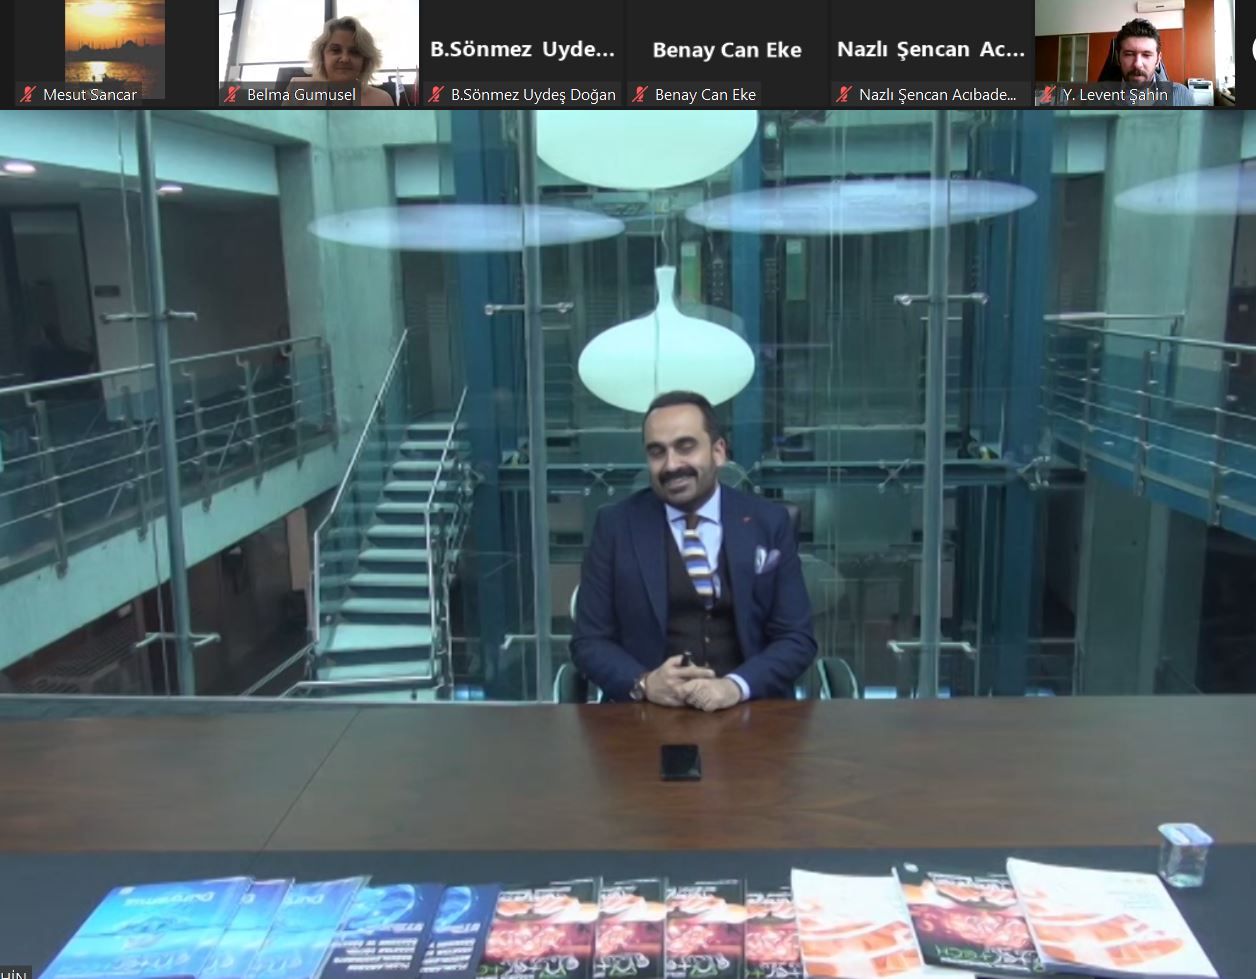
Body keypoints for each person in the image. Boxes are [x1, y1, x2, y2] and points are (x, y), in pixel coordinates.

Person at [571, 391, 817, 710]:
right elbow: (589, 642)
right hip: (646, 715)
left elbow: (797, 639)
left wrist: (736, 686)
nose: (671, 465)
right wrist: (644, 683)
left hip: (751, 711)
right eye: (657, 452)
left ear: (718, 451)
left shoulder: (769, 522)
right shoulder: (615, 527)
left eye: (685, 447)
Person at [288, 17, 393, 107]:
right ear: (322, 55)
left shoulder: (382, 100)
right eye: (335, 50)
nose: (345, 59)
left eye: (354, 52)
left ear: (364, 61)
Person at [1098, 18, 1194, 105]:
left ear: (1158, 59)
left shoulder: (1182, 95)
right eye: (1129, 54)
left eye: (1146, 55)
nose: (1137, 64)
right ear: (1118, 57)